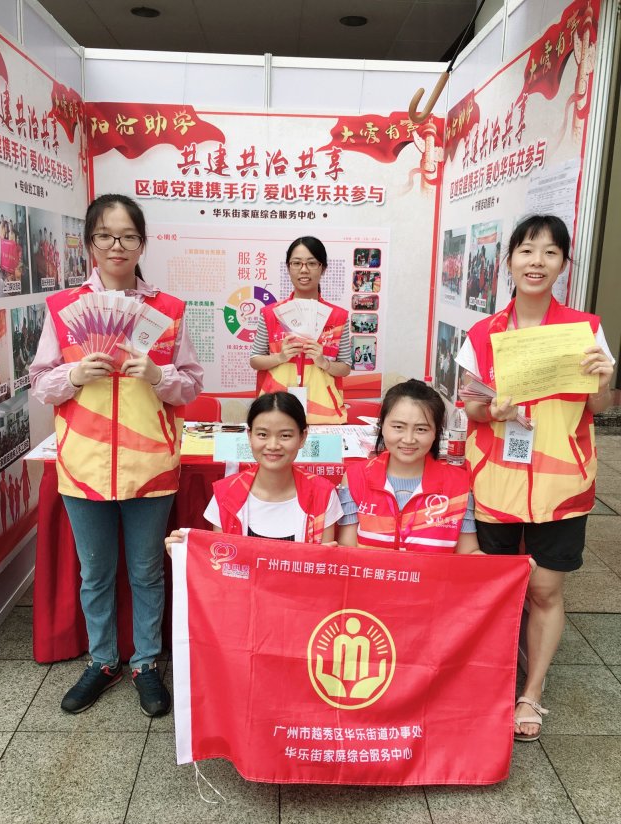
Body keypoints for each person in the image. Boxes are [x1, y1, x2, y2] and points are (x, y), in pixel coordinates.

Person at [30, 194, 204, 717]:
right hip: (82, 463)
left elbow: (191, 385)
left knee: (148, 570)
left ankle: (146, 663)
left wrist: (159, 375)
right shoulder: (63, 310)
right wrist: (73, 375)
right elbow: (39, 384)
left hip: (149, 464)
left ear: (142, 243)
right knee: (95, 572)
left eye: (128, 236)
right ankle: (104, 660)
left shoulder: (167, 310)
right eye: (105, 235)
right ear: (90, 243)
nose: (117, 246)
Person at [456, 214, 615, 742]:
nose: (537, 262)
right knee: (495, 589)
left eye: (550, 253)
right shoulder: (483, 334)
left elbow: (598, 407)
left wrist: (604, 381)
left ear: (564, 264)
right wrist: (492, 411)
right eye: (526, 251)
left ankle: (532, 690)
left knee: (545, 589)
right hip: (495, 481)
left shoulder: (584, 331)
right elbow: (470, 407)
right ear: (509, 261)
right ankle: (493, 679)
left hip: (561, 482)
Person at [166, 391, 342, 551]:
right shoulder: (226, 494)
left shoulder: (322, 494)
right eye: (263, 435)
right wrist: (185, 554)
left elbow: (322, 569)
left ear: (302, 437)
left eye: (285, 435)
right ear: (249, 436)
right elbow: (219, 564)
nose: (273, 445)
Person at [338, 380, 481, 554]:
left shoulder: (458, 485)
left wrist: (506, 567)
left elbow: (469, 554)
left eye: (421, 429)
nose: (408, 439)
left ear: (436, 433)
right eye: (398, 427)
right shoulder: (355, 477)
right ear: (381, 426)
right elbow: (347, 550)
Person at [249, 237, 351, 424]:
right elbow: (255, 360)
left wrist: (324, 363)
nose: (304, 270)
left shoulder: (338, 316)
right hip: (276, 407)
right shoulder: (271, 313)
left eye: (311, 263)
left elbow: (345, 368)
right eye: (296, 263)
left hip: (323, 410)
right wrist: (280, 357)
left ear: (323, 268)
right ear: (288, 268)